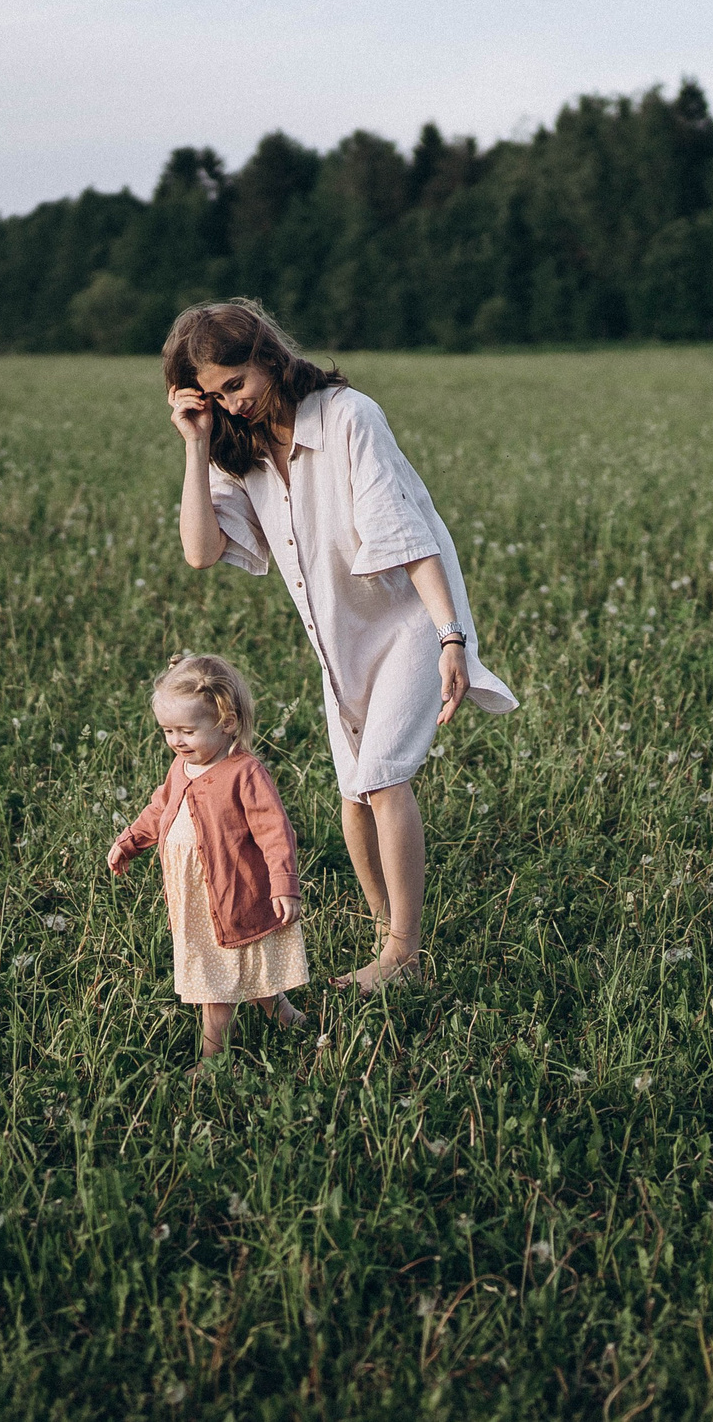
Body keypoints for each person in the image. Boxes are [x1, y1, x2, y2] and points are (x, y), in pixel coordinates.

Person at [162, 298, 516, 993]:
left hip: (410, 619)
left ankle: (402, 955)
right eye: (213, 394)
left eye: (236, 384)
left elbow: (410, 536)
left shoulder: (351, 416)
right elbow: (201, 553)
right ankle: (387, 925)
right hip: (340, 639)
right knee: (353, 794)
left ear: (267, 354)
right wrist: (195, 443)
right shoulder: (241, 450)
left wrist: (452, 636)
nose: (230, 404)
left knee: (383, 777)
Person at [106, 652, 308, 1061]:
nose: (176, 741)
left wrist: (284, 885)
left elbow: (275, 832)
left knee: (215, 985)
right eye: (167, 731)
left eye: (187, 731)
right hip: (194, 898)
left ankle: (213, 1061)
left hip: (235, 892)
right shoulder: (181, 768)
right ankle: (283, 1016)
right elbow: (159, 809)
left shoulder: (244, 773)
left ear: (227, 723)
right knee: (246, 962)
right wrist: (130, 840)